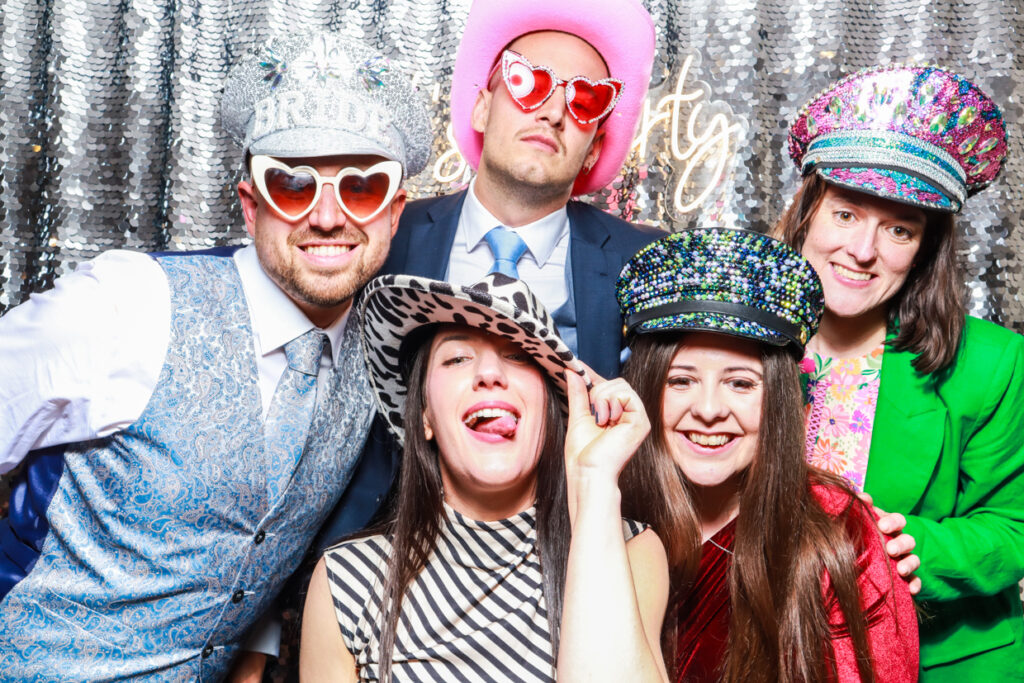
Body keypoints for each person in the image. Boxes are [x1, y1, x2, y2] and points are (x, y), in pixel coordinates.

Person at [0, 31, 430, 680]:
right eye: (293, 184)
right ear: (251, 205)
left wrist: (250, 659)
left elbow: (260, 533)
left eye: (361, 189)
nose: (327, 215)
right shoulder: (126, 303)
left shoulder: (378, 356)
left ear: (394, 214)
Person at [776, 65, 1024, 681]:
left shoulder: (990, 362)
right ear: (807, 211)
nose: (863, 251)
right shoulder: (736, 338)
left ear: (924, 250)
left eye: (897, 229)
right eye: (845, 214)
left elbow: (1012, 526)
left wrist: (919, 550)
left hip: (936, 660)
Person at [300, 272, 669, 681]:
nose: (489, 373)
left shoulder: (630, 549)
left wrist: (596, 479)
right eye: (457, 358)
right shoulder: (348, 579)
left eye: (518, 356)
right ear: (424, 415)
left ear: (550, 409)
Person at [616, 228, 919, 682]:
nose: (709, 410)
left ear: (779, 399)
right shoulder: (602, 511)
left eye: (740, 383)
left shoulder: (841, 532)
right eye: (681, 381)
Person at [379, 0, 663, 380]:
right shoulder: (387, 236)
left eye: (584, 101)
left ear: (593, 150)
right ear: (481, 110)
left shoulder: (643, 261)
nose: (553, 114)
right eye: (529, 83)